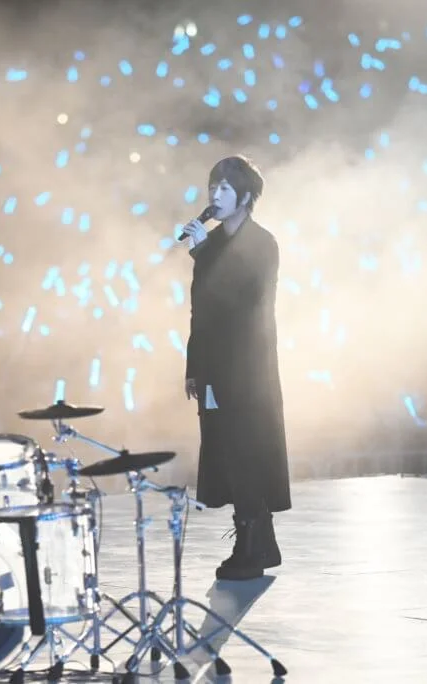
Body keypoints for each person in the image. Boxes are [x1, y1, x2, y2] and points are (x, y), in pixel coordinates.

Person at [180, 155, 291, 581]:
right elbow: (201, 311)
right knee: (227, 453)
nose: (215, 195)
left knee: (248, 453)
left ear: (245, 197)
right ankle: (261, 542)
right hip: (215, 366)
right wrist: (194, 366)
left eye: (225, 188)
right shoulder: (212, 245)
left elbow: (243, 302)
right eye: (213, 187)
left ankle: (251, 546)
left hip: (249, 367)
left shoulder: (262, 244)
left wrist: (202, 253)